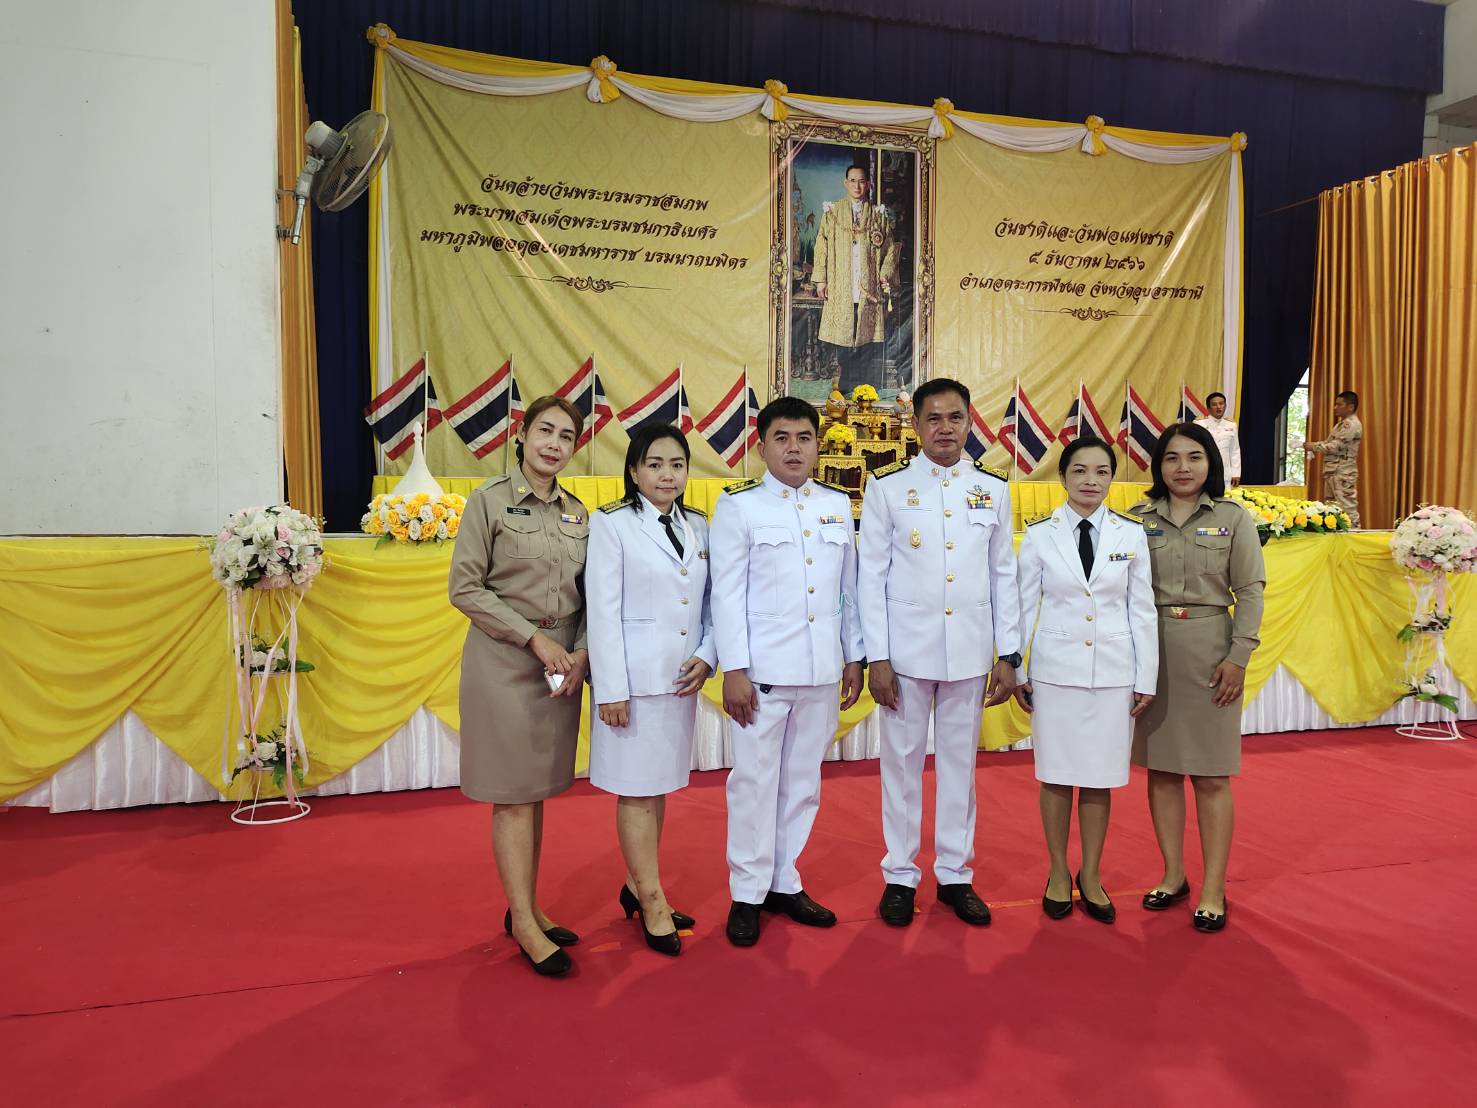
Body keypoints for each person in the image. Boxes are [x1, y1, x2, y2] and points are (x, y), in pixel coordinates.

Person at [857, 377, 1021, 928]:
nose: (945, 428)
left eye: (955, 418)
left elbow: (1004, 575)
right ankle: (900, 876)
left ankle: (955, 874)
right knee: (901, 768)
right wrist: (877, 656)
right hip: (904, 656)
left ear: (970, 422)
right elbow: (870, 577)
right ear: (916, 425)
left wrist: (1009, 654)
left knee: (960, 768)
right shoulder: (887, 488)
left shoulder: (993, 488)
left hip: (969, 654)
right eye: (933, 418)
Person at [710, 396, 866, 947]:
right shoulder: (740, 507)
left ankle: (783, 880)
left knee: (802, 783)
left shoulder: (836, 505)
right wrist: (735, 668)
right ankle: (747, 892)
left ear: (818, 446)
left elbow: (848, 589)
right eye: (782, 438)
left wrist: (853, 655)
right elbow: (726, 594)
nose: (793, 448)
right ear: (762, 446)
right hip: (763, 674)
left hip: (821, 670)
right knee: (754, 783)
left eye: (804, 438)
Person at [448, 395, 590, 977]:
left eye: (566, 436)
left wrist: (581, 652)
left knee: (536, 791)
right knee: (512, 795)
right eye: (545, 431)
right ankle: (525, 925)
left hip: (560, 667)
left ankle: (527, 908)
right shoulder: (488, 502)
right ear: (522, 434)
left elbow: (593, 592)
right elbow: (465, 588)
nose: (554, 444)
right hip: (505, 664)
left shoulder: (580, 513)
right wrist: (534, 639)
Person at [1014, 436, 1158, 924]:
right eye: (1079, 471)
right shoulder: (1040, 535)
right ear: (1063, 477)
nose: (1090, 481)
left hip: (1114, 674)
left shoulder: (1130, 534)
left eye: (1101, 471)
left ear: (1112, 477)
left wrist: (1147, 676)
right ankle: (1058, 871)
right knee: (1056, 776)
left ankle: (1091, 874)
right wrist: (1016, 667)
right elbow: (1022, 606)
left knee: (1099, 779)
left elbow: (1142, 609)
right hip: (1055, 674)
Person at [586, 423, 715, 957]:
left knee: (657, 787)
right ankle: (653, 899)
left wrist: (709, 655)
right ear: (634, 470)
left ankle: (638, 885)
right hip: (634, 684)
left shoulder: (699, 525)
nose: (667, 475)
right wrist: (610, 688)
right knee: (636, 791)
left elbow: (711, 603)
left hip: (681, 679)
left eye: (677, 465)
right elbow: (602, 610)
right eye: (655, 464)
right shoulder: (611, 523)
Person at [1131, 423, 1265, 933]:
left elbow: (1250, 590)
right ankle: (1173, 875)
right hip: (1153, 653)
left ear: (1212, 463)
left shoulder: (1233, 518)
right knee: (1162, 771)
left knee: (1210, 775)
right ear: (1158, 466)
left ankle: (1213, 887)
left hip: (1212, 656)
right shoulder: (1137, 519)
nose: (1182, 467)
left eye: (1194, 457)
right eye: (1171, 458)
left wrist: (1239, 656)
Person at [812, 162, 901, 394]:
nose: (857, 186)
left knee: (866, 335)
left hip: (867, 286)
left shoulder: (877, 215)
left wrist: (884, 275)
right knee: (844, 334)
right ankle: (846, 381)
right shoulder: (832, 213)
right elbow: (821, 246)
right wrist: (821, 279)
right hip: (841, 283)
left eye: (862, 181)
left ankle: (863, 384)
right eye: (853, 181)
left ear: (868, 184)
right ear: (846, 183)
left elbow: (890, 248)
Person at [1303, 390, 1362, 528]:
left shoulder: (1351, 425)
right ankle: (1338, 537)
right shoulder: (1341, 424)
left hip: (1343, 472)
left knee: (1347, 509)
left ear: (1350, 407)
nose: (1335, 407)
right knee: (1332, 509)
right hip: (1334, 471)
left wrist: (1313, 446)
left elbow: (1335, 447)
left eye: (1339, 404)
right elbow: (1329, 443)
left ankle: (1355, 537)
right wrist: (1311, 445)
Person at [1195, 391, 1241, 488]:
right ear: (1208, 408)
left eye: (1221, 403)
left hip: (1225, 474)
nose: (1219, 407)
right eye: (1214, 405)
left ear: (1225, 406)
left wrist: (1236, 473)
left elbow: (1235, 450)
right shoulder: (1199, 424)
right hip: (1205, 472)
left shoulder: (1231, 425)